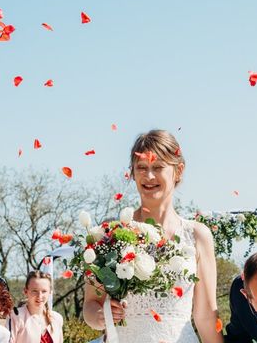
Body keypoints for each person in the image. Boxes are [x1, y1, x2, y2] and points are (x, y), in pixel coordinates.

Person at [83, 129, 222, 343]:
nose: (149, 176)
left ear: (178, 171)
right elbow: (90, 306)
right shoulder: (109, 234)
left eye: (157, 167)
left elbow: (205, 317)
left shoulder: (197, 235)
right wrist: (100, 316)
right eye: (141, 168)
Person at [9, 271, 63, 343]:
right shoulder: (15, 316)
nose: (39, 296)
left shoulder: (56, 318)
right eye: (35, 291)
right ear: (25, 291)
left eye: (44, 291)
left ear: (50, 292)